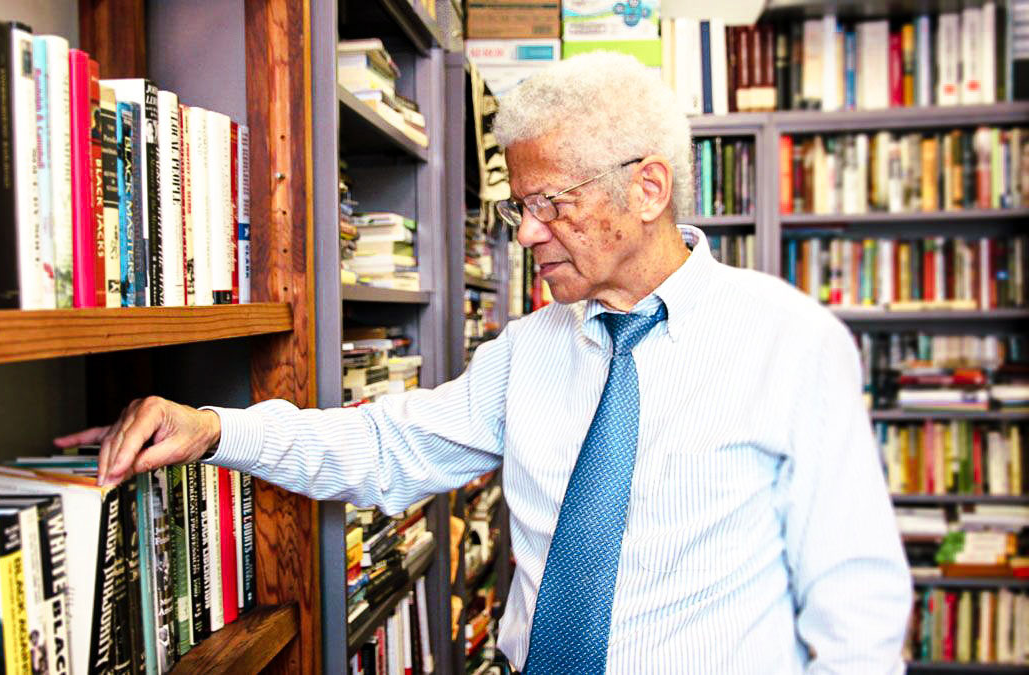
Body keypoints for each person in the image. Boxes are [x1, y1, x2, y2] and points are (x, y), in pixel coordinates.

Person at [56, 52, 912, 673]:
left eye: (551, 203)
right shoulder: (527, 352)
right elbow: (388, 447)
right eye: (519, 206)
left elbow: (857, 608)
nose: (528, 232)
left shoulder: (791, 344)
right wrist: (212, 429)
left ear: (649, 189)